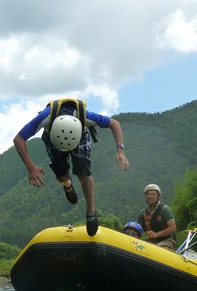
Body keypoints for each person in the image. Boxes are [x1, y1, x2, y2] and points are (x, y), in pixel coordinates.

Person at [13, 98, 129, 236]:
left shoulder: (86, 117)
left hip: (79, 137)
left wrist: (120, 150)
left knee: (83, 173)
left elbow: (114, 124)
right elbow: (19, 139)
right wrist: (30, 167)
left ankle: (91, 211)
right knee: (61, 174)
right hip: (53, 139)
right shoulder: (45, 117)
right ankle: (67, 184)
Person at [137, 184, 177, 249]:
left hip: (167, 240)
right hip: (150, 241)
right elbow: (138, 229)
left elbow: (173, 228)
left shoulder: (165, 210)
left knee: (158, 249)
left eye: (153, 194)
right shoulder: (142, 213)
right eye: (147, 194)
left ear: (158, 197)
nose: (150, 196)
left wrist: (156, 234)